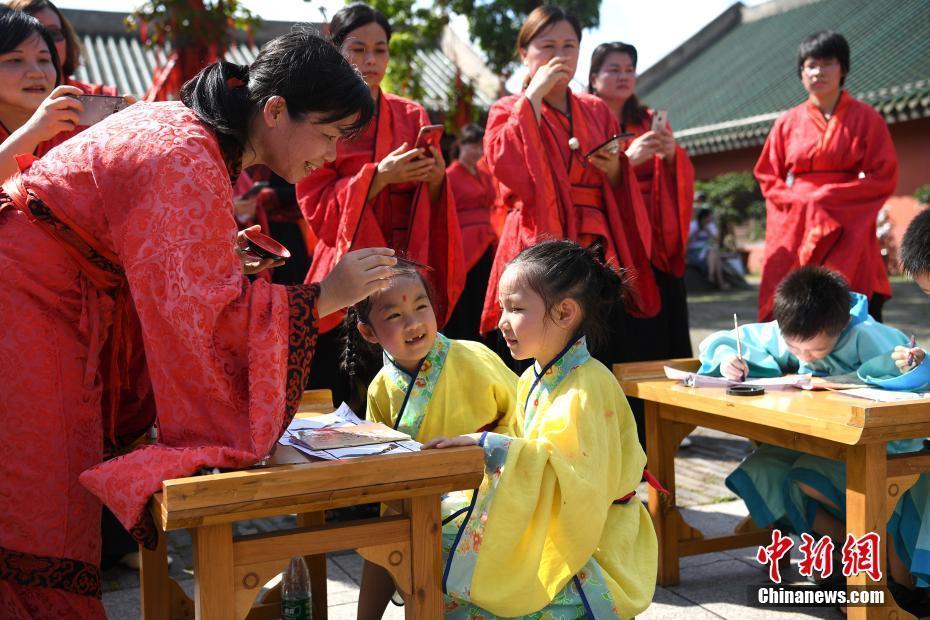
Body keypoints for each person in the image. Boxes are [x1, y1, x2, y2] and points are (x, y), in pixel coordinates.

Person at [0, 27, 395, 618]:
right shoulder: (186, 154)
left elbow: (180, 274)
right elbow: (208, 319)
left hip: (48, 286)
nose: (332, 156)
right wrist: (323, 296)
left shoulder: (193, 138)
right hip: (29, 294)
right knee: (42, 512)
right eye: (331, 133)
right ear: (276, 109)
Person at [422, 240, 658, 618]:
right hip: (558, 515)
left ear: (564, 312)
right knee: (437, 526)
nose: (501, 322)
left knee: (458, 554)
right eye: (503, 307)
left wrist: (486, 444)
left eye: (515, 309)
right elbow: (533, 452)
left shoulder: (588, 386)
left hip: (593, 539)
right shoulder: (534, 376)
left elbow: (572, 475)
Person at [698, 266, 929, 612]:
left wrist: (909, 366)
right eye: (795, 349)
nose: (804, 358)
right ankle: (855, 558)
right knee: (767, 468)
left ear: (837, 329)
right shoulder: (785, 330)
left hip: (883, 447)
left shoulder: (867, 335)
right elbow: (725, 341)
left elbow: (909, 372)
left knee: (805, 474)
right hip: (825, 439)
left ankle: (882, 573)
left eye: (816, 351)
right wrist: (727, 359)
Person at [296, 3, 465, 408]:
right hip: (348, 261)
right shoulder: (319, 114)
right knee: (340, 390)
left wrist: (435, 176)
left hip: (406, 262)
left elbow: (435, 195)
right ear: (335, 49)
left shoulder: (411, 113)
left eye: (380, 50)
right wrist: (378, 178)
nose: (370, 61)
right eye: (358, 49)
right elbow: (314, 199)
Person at [479, 5, 659, 360]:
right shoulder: (507, 108)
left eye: (569, 46)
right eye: (547, 46)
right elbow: (504, 164)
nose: (559, 56)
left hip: (593, 244)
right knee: (534, 338)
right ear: (524, 53)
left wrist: (613, 168)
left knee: (597, 340)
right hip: (535, 238)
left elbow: (615, 179)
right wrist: (531, 99)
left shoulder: (595, 109)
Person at [347, 265, 518, 618]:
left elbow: (524, 417)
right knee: (384, 533)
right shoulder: (381, 386)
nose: (413, 323)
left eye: (421, 307)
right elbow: (381, 448)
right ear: (369, 332)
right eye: (394, 315)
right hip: (414, 491)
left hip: (490, 485)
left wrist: (488, 447)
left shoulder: (473, 356)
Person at [755, 31, 898, 322]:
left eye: (827, 63)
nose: (818, 71)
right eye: (810, 65)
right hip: (798, 221)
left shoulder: (867, 118)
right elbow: (768, 175)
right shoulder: (787, 122)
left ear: (843, 68)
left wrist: (832, 197)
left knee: (851, 298)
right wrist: (800, 202)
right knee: (796, 302)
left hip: (850, 223)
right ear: (801, 72)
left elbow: (884, 174)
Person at [588, 40, 694, 361]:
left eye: (629, 70)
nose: (624, 76)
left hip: (654, 232)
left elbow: (681, 175)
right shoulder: (586, 120)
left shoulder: (648, 119)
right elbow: (579, 180)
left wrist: (672, 156)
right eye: (613, 69)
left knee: (660, 329)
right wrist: (626, 164)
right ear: (593, 78)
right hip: (609, 231)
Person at [0, 7, 88, 181]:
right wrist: (32, 132)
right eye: (15, 60)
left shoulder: (80, 125)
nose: (37, 72)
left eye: (44, 60)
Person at [443, 123, 498, 342]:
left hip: (486, 240)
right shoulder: (450, 174)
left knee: (483, 292)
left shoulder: (483, 174)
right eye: (472, 145)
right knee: (467, 294)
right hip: (465, 243)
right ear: (461, 146)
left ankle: (484, 340)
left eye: (480, 146)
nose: (477, 151)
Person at [6, 0, 117, 95]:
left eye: (53, 33)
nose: (44, 44)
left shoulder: (102, 98)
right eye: (29, 36)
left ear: (67, 38)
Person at [687, 207, 729, 289]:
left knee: (713, 253)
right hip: (695, 252)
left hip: (708, 251)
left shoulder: (711, 226)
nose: (711, 218)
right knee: (715, 255)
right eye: (710, 216)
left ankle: (711, 276)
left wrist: (708, 231)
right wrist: (696, 232)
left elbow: (717, 240)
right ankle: (720, 283)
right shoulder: (693, 225)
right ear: (704, 217)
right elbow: (687, 242)